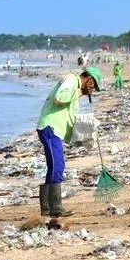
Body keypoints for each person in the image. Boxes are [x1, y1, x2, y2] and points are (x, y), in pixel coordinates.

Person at [36, 67, 101, 217]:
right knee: (58, 165)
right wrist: (79, 92)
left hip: (55, 130)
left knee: (54, 166)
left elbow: (69, 116)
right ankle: (55, 207)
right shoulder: (71, 79)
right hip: (50, 127)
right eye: (93, 85)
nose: (92, 89)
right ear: (89, 78)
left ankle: (47, 208)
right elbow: (59, 98)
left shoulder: (75, 88)